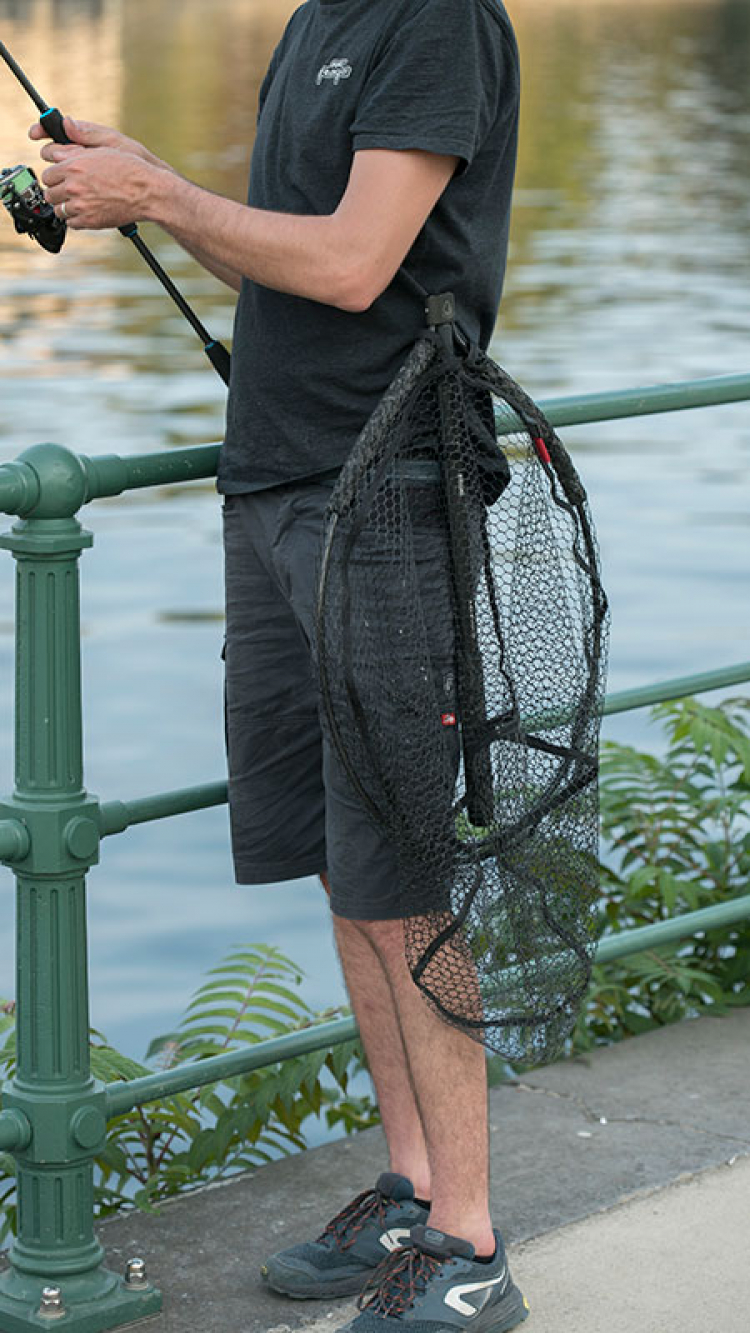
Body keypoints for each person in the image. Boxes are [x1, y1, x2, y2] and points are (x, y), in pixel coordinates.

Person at [33, 1, 526, 1328]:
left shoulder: (436, 19)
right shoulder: (317, 18)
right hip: (274, 487)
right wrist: (148, 180)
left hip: (386, 493)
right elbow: (281, 234)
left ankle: (471, 1242)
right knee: (343, 864)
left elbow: (357, 263)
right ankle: (412, 1187)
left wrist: (159, 195)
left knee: (406, 877)